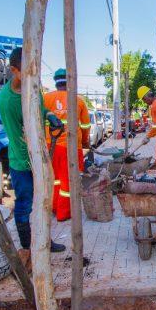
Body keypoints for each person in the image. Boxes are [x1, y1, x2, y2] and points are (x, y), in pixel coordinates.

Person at [0, 48, 66, 253]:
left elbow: (40, 109)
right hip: (22, 162)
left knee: (43, 203)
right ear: (14, 70)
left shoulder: (34, 89)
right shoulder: (7, 101)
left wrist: (50, 115)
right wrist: (31, 163)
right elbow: (16, 137)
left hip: (39, 158)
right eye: (28, 72)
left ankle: (44, 241)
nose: (33, 77)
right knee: (25, 203)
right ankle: (28, 246)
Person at [43, 68, 91, 222]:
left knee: (55, 179)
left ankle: (54, 207)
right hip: (70, 148)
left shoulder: (45, 99)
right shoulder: (78, 100)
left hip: (50, 145)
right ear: (69, 81)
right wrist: (85, 142)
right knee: (69, 181)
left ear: (56, 82)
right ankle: (64, 213)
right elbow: (85, 126)